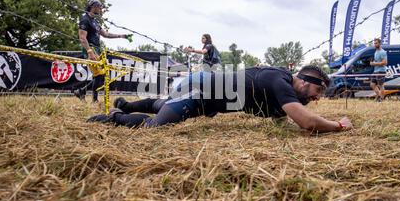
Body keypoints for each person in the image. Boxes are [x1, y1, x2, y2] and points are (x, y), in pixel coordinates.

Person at [88, 65, 353, 133]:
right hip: (199, 90)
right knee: (156, 127)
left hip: (203, 99)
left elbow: (285, 120)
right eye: (317, 93)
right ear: (305, 82)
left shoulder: (279, 87)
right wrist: (338, 126)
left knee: (165, 105)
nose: (317, 100)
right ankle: (114, 117)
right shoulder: (280, 81)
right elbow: (306, 122)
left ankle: (126, 104)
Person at [74, 0, 132, 102]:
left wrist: (121, 36)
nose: (101, 9)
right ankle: (94, 99)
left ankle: (82, 91)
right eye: (100, 7)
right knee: (99, 74)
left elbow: (106, 34)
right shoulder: (85, 19)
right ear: (93, 7)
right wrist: (89, 51)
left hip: (97, 49)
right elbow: (82, 38)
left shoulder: (95, 22)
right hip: (91, 49)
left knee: (102, 74)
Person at [369, 38, 388, 102]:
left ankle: (381, 99)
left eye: (376, 43)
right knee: (372, 84)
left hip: (381, 71)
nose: (375, 44)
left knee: (381, 86)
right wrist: (373, 62)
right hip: (375, 71)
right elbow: (377, 61)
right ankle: (379, 96)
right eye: (374, 43)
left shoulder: (382, 52)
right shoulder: (376, 52)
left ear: (379, 43)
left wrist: (374, 63)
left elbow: (385, 63)